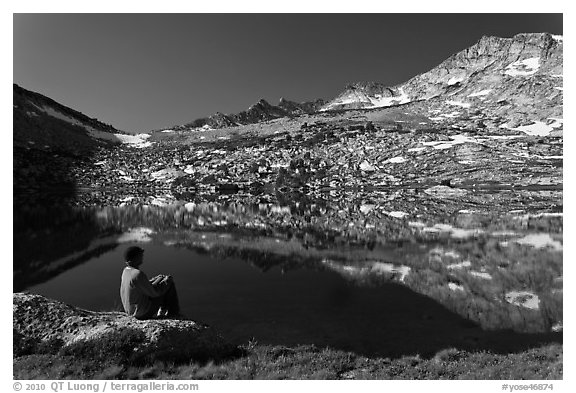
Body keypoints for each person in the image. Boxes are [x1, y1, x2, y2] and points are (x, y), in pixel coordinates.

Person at [120, 246, 181, 319]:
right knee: (169, 284)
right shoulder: (138, 274)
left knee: (163, 281)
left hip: (131, 311)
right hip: (141, 313)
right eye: (140, 255)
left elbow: (143, 285)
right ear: (135, 258)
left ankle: (164, 310)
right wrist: (166, 282)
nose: (142, 256)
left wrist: (158, 279)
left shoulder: (126, 271)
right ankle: (172, 313)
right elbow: (154, 293)